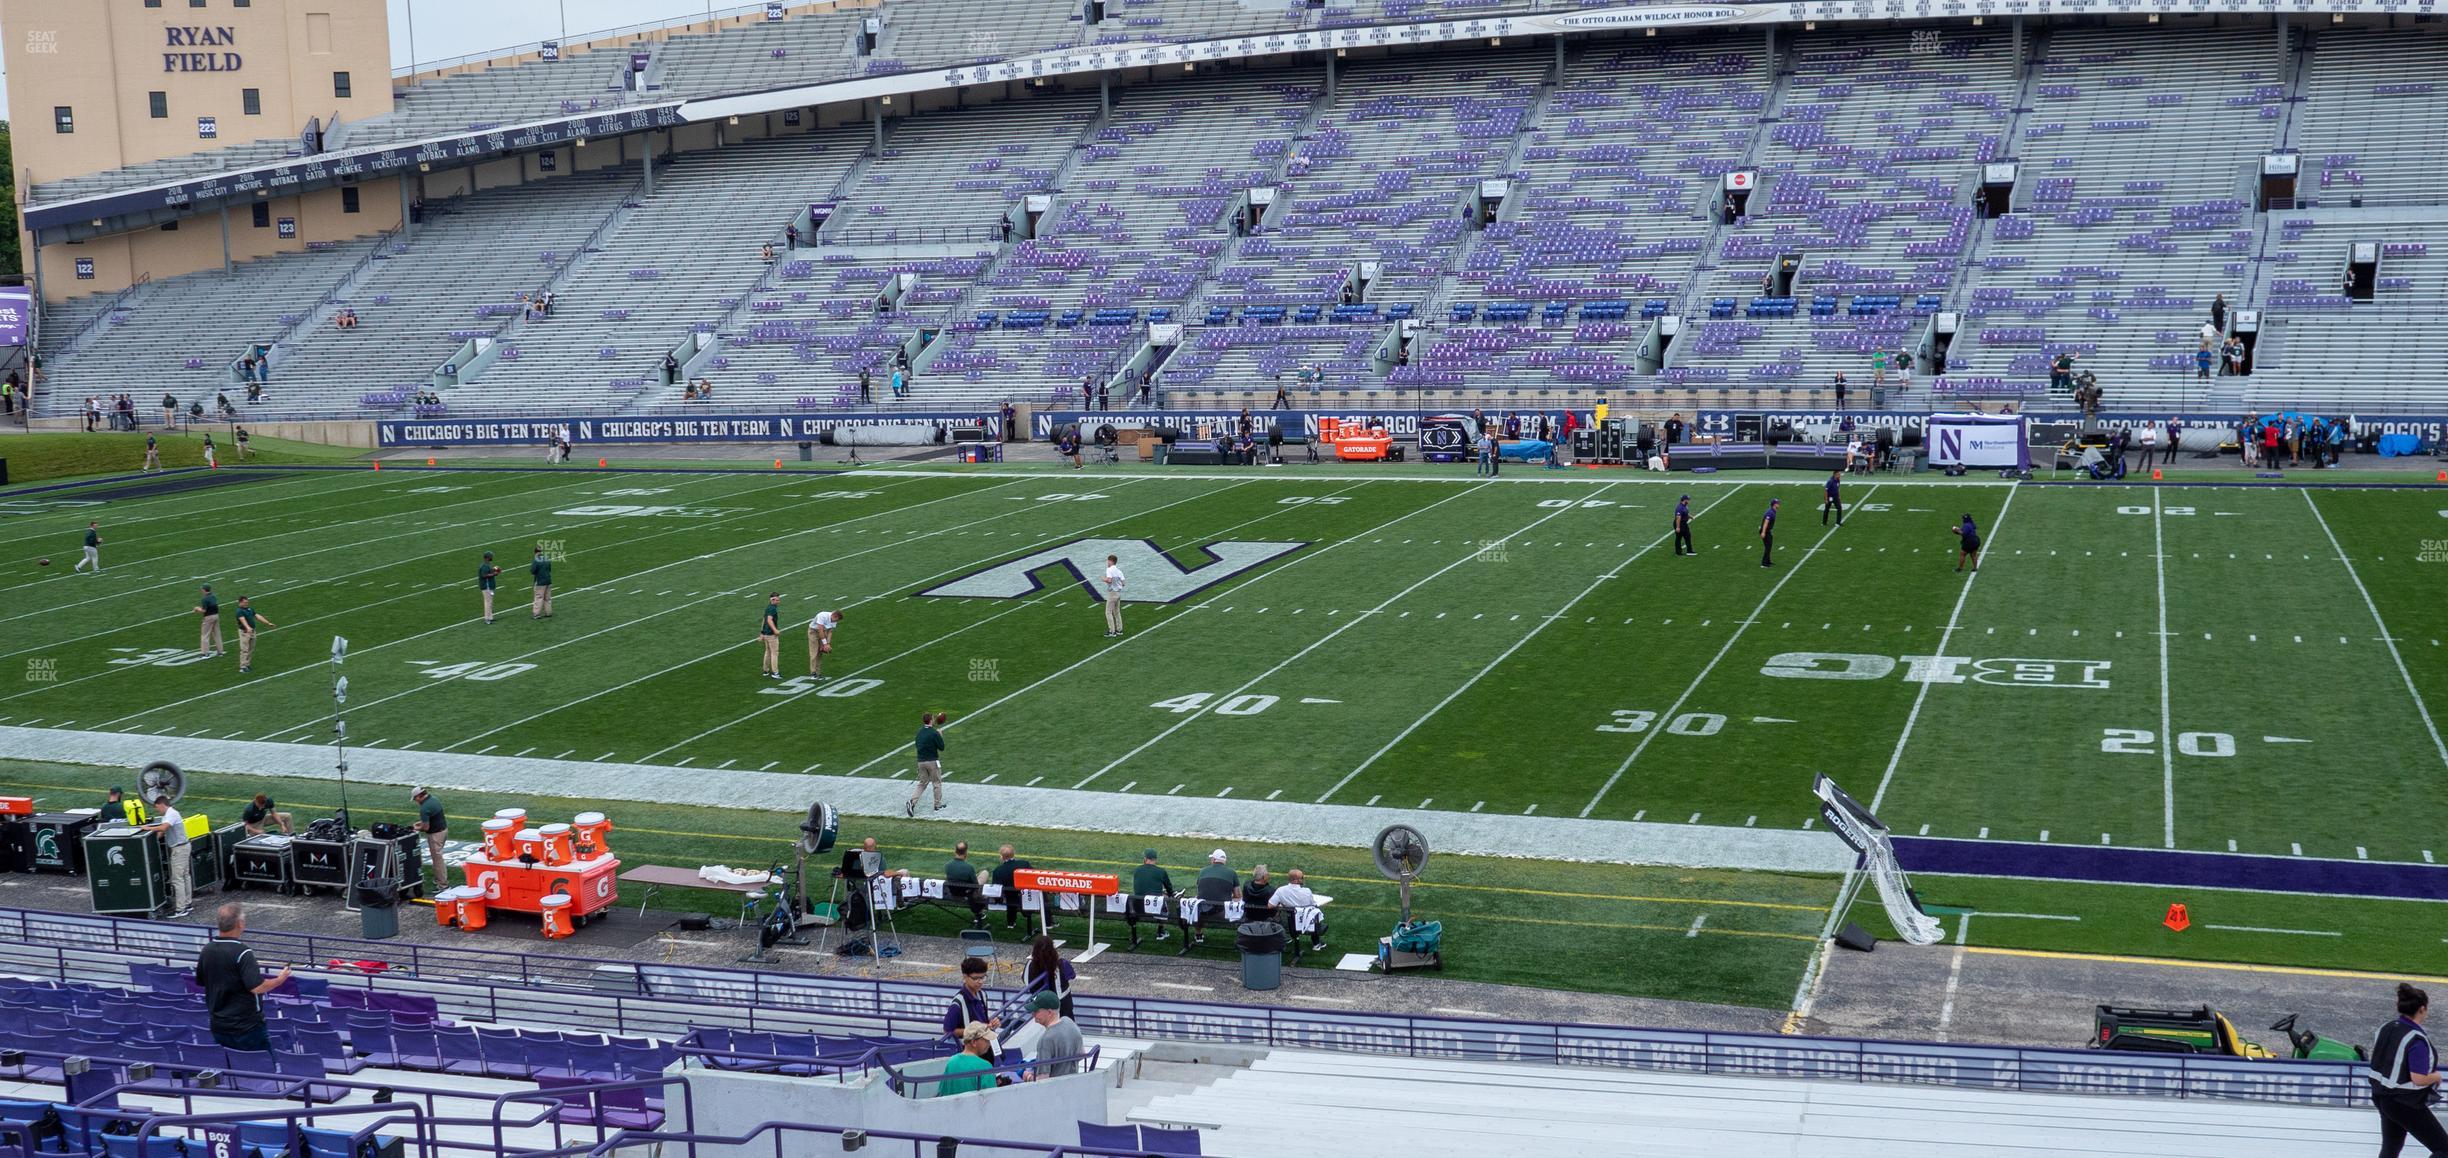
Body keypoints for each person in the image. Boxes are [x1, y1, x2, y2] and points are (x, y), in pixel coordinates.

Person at [195, 903, 291, 1051]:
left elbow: (202, 981)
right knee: (261, 1065)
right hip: (247, 1026)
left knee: (232, 1065)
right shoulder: (243, 953)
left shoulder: (207, 950)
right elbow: (257, 987)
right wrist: (280, 979)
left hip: (218, 1023)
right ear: (240, 924)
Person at [2372, 983, 2448, 1157]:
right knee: (2444, 1149)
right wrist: (2436, 1076)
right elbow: (2418, 1078)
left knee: (2391, 1148)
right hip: (2405, 1102)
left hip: (2382, 1096)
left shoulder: (2386, 1028)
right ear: (2422, 1009)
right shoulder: (2416, 1040)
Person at [145, 794, 193, 917]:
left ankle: (181, 909)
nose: (157, 810)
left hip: (179, 848)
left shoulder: (171, 814)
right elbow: (161, 832)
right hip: (183, 847)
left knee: (177, 879)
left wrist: (148, 828)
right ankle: (187, 903)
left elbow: (164, 827)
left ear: (162, 804)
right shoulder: (167, 816)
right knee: (185, 876)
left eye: (157, 808)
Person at [1021, 990, 1086, 1080]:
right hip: (1073, 1083)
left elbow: (1043, 1079)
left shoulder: (1045, 1040)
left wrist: (1028, 1076)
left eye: (1036, 1011)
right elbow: (1082, 1054)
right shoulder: (1069, 1022)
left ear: (1049, 1012)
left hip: (1055, 1089)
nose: (1033, 1014)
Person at [940, 960, 1000, 1050]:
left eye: (983, 977)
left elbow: (983, 1021)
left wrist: (990, 1024)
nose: (980, 982)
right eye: (976, 978)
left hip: (984, 1046)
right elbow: (947, 1031)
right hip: (968, 1050)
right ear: (965, 977)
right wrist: (973, 1031)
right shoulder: (957, 1003)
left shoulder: (982, 994)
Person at [1127, 848, 1177, 948]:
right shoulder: (1161, 871)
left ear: (1145, 859)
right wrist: (1168, 893)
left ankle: (1135, 932)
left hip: (1139, 907)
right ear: (1155, 859)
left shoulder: (1137, 870)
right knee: (1162, 899)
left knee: (1158, 897)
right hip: (1154, 908)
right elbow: (1170, 889)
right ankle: (1160, 930)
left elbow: (1140, 887)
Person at [1270, 868, 1328, 953]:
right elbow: (1313, 905)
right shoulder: (1307, 891)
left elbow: (1270, 905)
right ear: (1297, 880)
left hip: (1290, 924)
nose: (1303, 879)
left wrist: (1282, 906)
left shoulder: (1281, 890)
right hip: (1307, 924)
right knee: (1314, 913)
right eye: (1302, 877)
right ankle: (1316, 943)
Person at [1024, 935, 1075, 1020]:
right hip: (1062, 1003)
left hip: (1039, 1003)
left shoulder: (1029, 965)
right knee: (1066, 1028)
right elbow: (1072, 975)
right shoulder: (1061, 964)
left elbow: (1026, 981)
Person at [939, 1023, 998, 1095]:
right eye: (986, 1040)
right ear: (974, 1042)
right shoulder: (985, 1066)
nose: (989, 1044)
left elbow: (942, 1092)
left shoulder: (951, 1062)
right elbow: (992, 1098)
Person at [908, 711, 948, 816]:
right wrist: (940, 735)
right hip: (932, 762)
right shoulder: (934, 732)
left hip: (920, 762)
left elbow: (917, 744)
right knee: (937, 783)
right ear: (930, 720)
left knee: (922, 783)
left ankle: (912, 802)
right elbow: (942, 747)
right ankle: (937, 805)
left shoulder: (919, 732)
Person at [943, 840, 988, 928]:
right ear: (966, 853)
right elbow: (975, 885)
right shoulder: (969, 867)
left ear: (955, 851)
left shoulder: (947, 865)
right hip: (967, 892)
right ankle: (980, 911)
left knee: (977, 875)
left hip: (954, 891)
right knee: (985, 873)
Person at [991, 844, 1035, 932]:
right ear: (1014, 854)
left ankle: (1011, 922)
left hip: (1010, 898)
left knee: (1010, 895)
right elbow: (1033, 877)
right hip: (1027, 896)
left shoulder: (998, 871)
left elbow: (996, 889)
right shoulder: (1024, 864)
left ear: (1001, 857)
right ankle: (1049, 922)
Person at [410, 787, 447, 885]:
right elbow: (433, 818)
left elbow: (426, 828)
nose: (415, 801)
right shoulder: (434, 799)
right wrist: (421, 823)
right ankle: (440, 880)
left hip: (435, 835)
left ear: (419, 796)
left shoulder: (424, 808)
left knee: (437, 860)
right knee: (438, 858)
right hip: (443, 831)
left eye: (415, 799)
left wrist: (416, 828)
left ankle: (442, 884)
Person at [233, 596, 273, 673]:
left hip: (252, 631)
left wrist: (267, 623)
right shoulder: (239, 611)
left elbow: (257, 616)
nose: (246, 604)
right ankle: (243, 666)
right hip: (245, 632)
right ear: (240, 602)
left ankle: (247, 664)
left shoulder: (250, 609)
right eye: (245, 602)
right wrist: (248, 627)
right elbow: (242, 620)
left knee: (251, 649)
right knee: (244, 649)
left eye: (247, 602)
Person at [807, 608, 840, 678]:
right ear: (834, 616)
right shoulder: (822, 615)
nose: (836, 622)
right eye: (836, 620)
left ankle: (818, 672)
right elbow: (820, 630)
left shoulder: (835, 619)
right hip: (813, 632)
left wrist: (828, 644)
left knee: (820, 652)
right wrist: (824, 644)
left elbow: (830, 632)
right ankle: (813, 673)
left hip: (823, 632)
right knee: (814, 652)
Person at [194, 585, 225, 659]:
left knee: (205, 635)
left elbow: (204, 610)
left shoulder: (204, 599)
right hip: (216, 616)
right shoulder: (213, 596)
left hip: (208, 617)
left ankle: (205, 653)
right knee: (217, 634)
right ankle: (220, 652)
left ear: (204, 590)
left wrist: (197, 609)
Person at [759, 593, 784, 679]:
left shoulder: (768, 607)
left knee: (768, 652)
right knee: (774, 653)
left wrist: (762, 632)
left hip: (766, 633)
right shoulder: (772, 609)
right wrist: (775, 630)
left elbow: (764, 620)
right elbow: (769, 620)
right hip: (771, 635)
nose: (778, 601)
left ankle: (765, 670)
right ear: (772, 600)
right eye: (777, 600)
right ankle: (775, 672)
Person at [476, 551, 501, 625]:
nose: (492, 557)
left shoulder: (487, 564)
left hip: (489, 586)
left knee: (490, 602)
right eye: (491, 556)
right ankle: (487, 619)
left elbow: (489, 571)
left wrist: (495, 569)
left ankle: (490, 617)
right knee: (488, 603)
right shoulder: (484, 566)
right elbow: (484, 575)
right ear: (487, 557)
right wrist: (494, 574)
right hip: (486, 587)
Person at [530, 547, 554, 619]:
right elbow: (549, 569)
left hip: (540, 582)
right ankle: (548, 612)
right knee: (547, 598)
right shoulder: (547, 558)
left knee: (539, 597)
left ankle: (536, 614)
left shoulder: (536, 560)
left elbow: (532, 571)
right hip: (548, 580)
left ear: (535, 552)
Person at [1758, 497, 1779, 569]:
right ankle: (1764, 564)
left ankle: (1768, 561)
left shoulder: (1773, 511)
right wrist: (1763, 532)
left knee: (1769, 546)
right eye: (1777, 503)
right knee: (1768, 547)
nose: (1779, 504)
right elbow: (1766, 523)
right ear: (1774, 504)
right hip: (1765, 531)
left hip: (1768, 531)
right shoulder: (1770, 512)